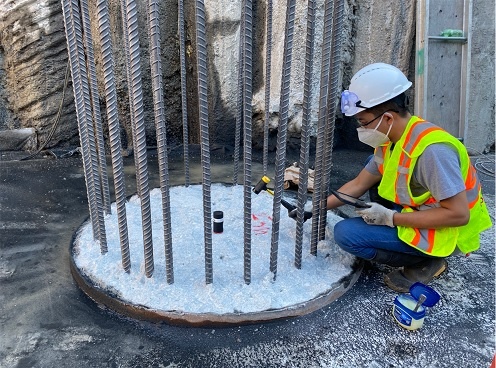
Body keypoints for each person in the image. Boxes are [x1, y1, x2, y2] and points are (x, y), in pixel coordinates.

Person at [327, 62, 492, 292]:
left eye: (363, 122)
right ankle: (406, 241)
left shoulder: (432, 153)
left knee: (347, 234)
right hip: (422, 211)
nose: (360, 129)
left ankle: (427, 260)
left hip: (448, 230)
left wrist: (390, 219)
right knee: (372, 167)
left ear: (387, 118)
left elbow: (458, 214)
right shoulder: (393, 140)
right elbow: (358, 184)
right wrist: (315, 208)